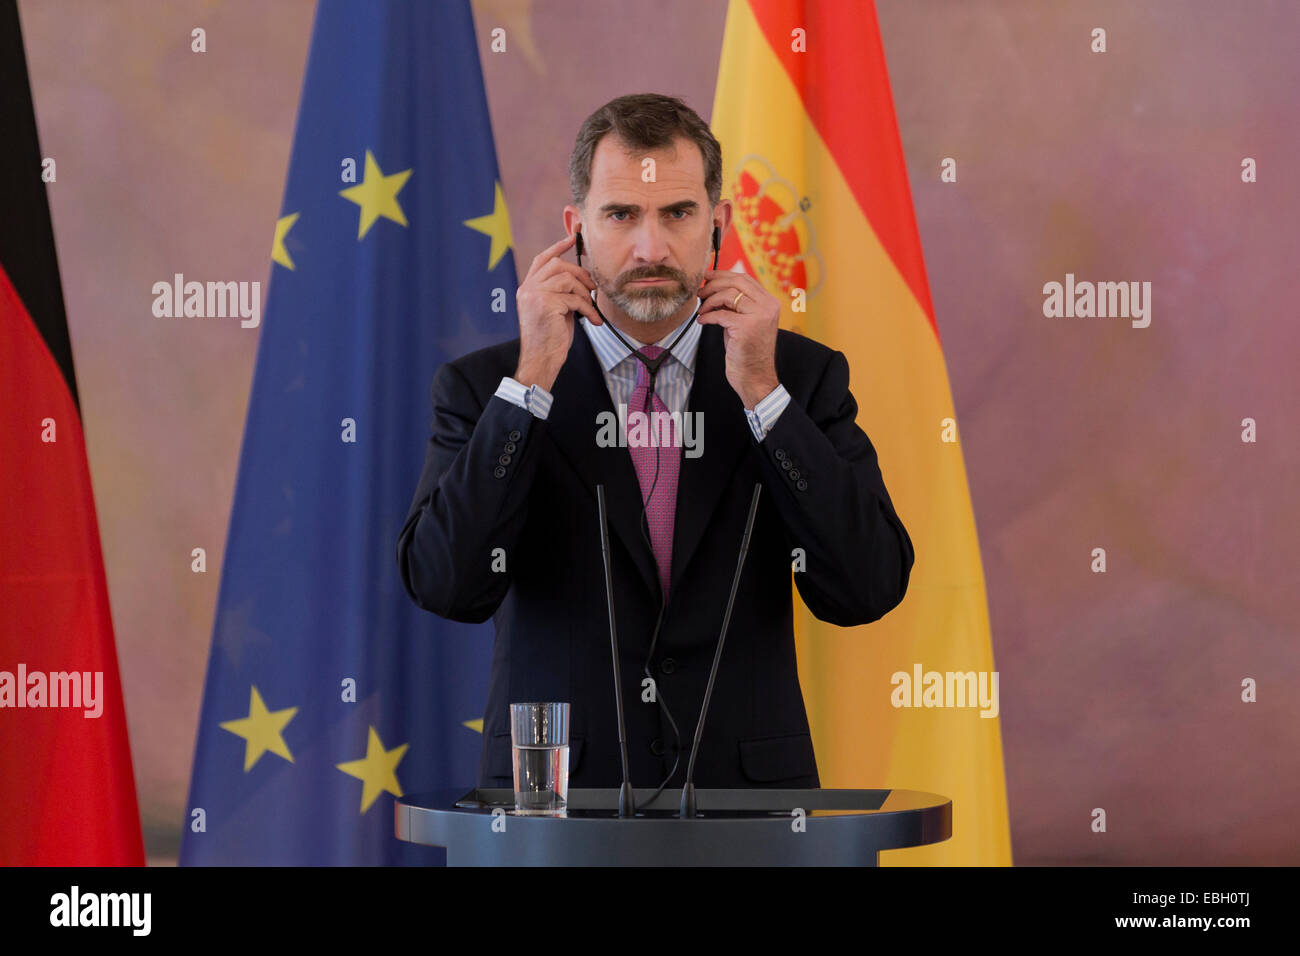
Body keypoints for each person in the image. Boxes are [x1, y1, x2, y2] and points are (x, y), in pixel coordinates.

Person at [397, 93, 913, 794]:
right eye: (621, 216)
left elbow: (867, 586)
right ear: (576, 229)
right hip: (557, 812)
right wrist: (529, 387)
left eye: (677, 214)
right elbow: (445, 584)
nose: (651, 248)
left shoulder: (798, 378)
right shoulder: (486, 387)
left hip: (749, 816)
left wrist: (764, 396)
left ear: (718, 225)